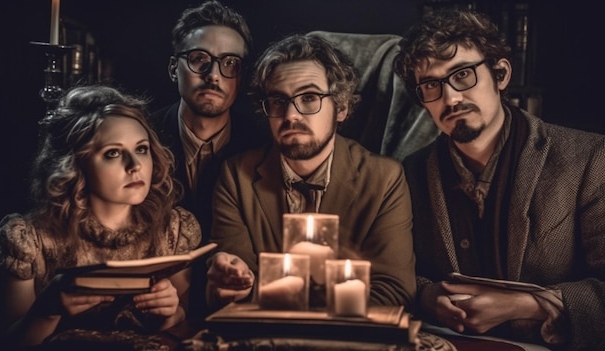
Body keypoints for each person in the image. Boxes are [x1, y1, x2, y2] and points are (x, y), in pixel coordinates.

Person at [393, 8, 605, 351]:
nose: (451, 98)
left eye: (462, 75)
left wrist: (529, 305)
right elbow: (393, 273)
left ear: (501, 73)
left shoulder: (589, 158)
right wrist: (427, 295)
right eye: (431, 85)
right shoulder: (409, 173)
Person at [205, 34, 417, 312]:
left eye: (309, 98)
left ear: (341, 107)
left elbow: (395, 290)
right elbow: (238, 286)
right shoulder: (237, 177)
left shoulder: (384, 179)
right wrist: (232, 284)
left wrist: (274, 293)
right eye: (279, 101)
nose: (291, 115)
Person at [0, 85, 202, 349]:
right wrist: (47, 310)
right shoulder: (30, 239)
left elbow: (177, 326)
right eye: (113, 153)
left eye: (141, 149)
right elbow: (8, 343)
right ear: (75, 164)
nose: (135, 165)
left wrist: (171, 312)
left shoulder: (171, 229)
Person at [149, 1, 269, 321]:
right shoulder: (140, 139)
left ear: (240, 76)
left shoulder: (264, 147)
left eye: (230, 63)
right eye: (199, 59)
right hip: (152, 305)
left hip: (234, 309)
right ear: (174, 68)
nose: (214, 75)